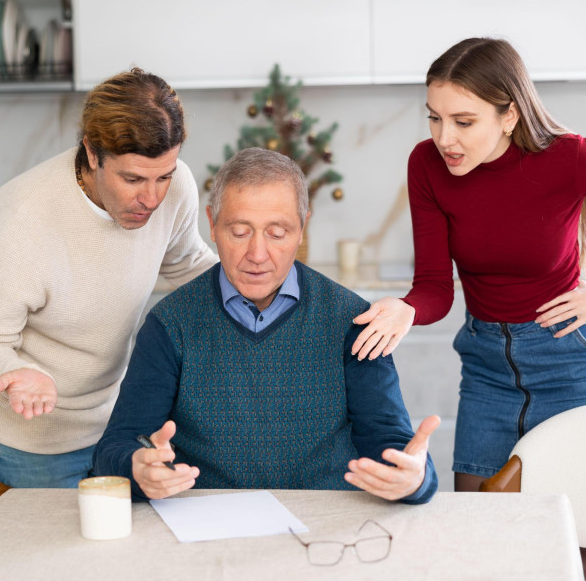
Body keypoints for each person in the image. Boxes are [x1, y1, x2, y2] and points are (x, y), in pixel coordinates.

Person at [349, 38, 586, 579]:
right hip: (488, 369)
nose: (445, 138)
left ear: (508, 113)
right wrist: (406, 309)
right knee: (477, 534)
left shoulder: (570, 157)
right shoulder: (427, 166)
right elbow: (437, 287)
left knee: (567, 548)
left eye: (464, 121)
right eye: (435, 118)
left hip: (575, 365)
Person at [93, 147, 440, 504]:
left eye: (277, 233)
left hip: (321, 529)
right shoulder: (171, 325)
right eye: (240, 232)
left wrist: (416, 478)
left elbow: (393, 444)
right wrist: (137, 469)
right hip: (210, 528)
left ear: (302, 228)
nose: (258, 255)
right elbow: (115, 449)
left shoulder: (351, 320)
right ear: (211, 224)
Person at [0, 68, 218, 488]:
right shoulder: (22, 219)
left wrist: (292, 292)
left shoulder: (176, 189)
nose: (151, 199)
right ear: (93, 154)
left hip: (115, 426)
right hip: (30, 441)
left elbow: (189, 265)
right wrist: (16, 374)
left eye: (163, 176)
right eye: (132, 179)